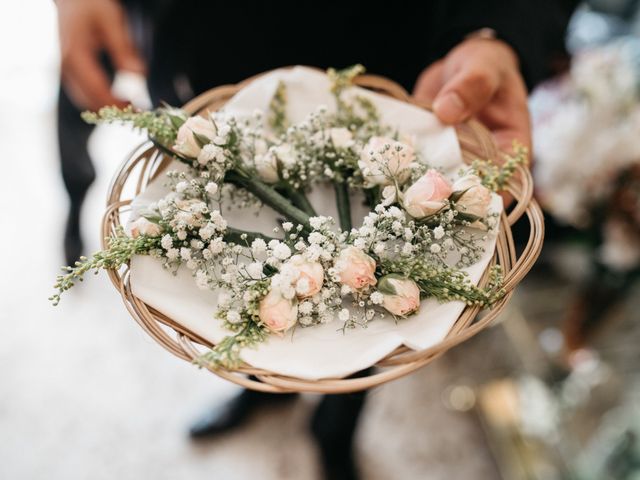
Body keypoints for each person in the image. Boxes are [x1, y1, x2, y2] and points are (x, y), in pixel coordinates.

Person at [56, 1, 576, 478]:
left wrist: (497, 30)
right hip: (201, 42)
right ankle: (259, 390)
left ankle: (335, 427)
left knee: (369, 320)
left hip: (386, 59)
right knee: (223, 290)